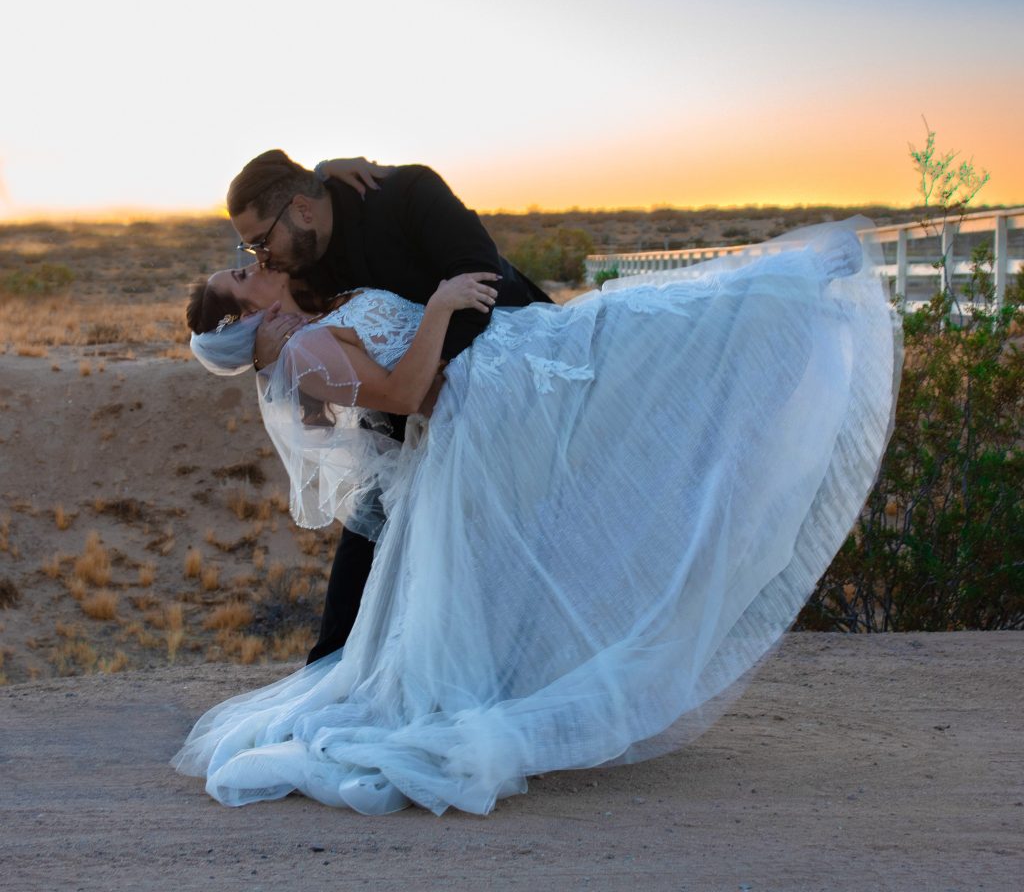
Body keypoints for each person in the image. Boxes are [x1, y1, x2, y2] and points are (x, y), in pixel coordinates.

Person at [173, 214, 903, 816]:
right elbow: (406, 393)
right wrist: (441, 306)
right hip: (490, 400)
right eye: (240, 275)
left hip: (508, 366)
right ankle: (795, 295)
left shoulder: (310, 326)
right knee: (632, 338)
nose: (252, 265)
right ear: (246, 315)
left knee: (630, 323)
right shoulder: (301, 354)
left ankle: (795, 299)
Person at [213, 151, 553, 665]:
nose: (260, 257)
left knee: (513, 533)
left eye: (261, 241)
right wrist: (265, 357)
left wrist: (437, 374)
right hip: (412, 410)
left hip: (515, 369)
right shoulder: (302, 258)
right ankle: (332, 665)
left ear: (302, 210)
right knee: (374, 527)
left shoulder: (407, 193)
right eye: (251, 249)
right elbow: (287, 345)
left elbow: (481, 277)